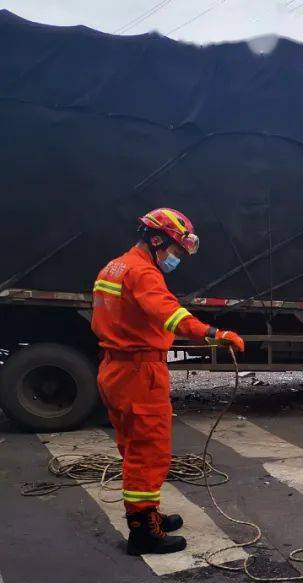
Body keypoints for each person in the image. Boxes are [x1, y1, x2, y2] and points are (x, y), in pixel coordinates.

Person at [91, 208, 245, 556]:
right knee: (148, 452)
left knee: (133, 447)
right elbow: (171, 315)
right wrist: (215, 334)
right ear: (156, 239)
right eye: (175, 252)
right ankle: (143, 531)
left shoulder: (114, 266)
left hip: (115, 368)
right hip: (138, 372)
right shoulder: (143, 273)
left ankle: (148, 513)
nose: (176, 259)